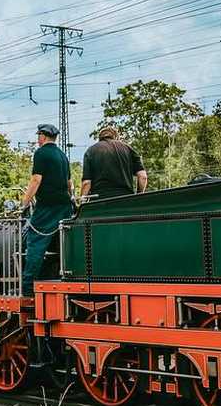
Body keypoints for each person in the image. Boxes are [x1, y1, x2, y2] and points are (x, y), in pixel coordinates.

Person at [19, 123, 73, 295]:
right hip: (65, 207)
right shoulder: (63, 156)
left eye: (38, 136)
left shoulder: (41, 153)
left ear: (42, 136)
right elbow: (69, 184)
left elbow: (36, 180)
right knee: (64, 245)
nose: (38, 139)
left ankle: (27, 289)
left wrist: (24, 204)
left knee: (34, 244)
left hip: (47, 208)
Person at [80, 124, 147, 201]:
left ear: (100, 138)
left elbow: (86, 183)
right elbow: (143, 177)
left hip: (99, 202)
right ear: (116, 137)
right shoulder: (128, 149)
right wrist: (138, 197)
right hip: (126, 200)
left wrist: (82, 203)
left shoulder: (91, 151)